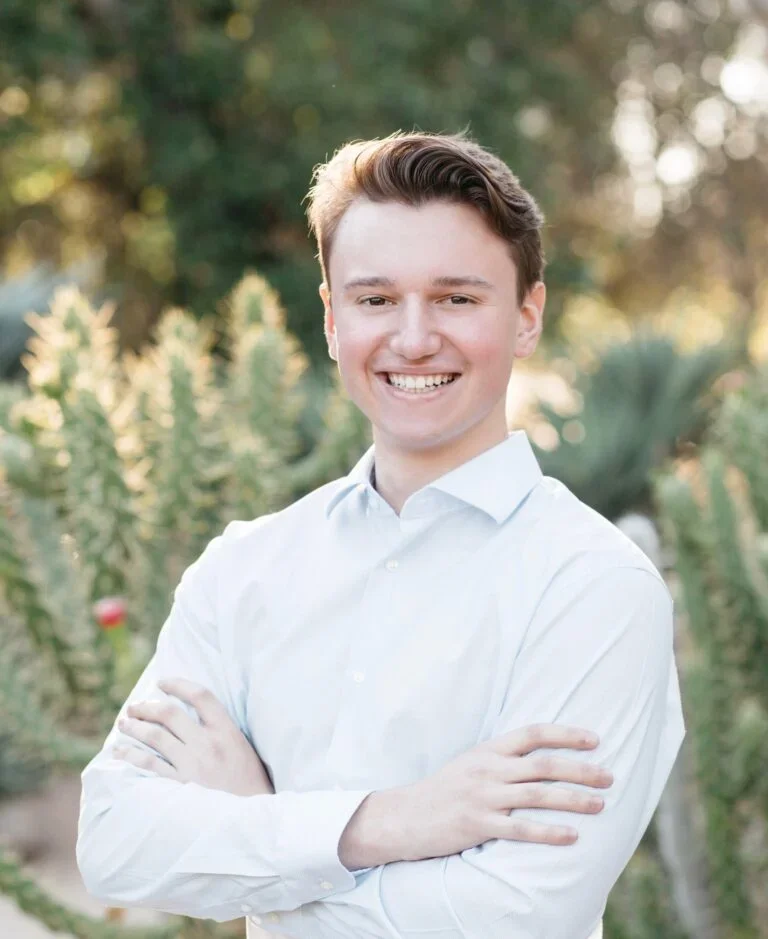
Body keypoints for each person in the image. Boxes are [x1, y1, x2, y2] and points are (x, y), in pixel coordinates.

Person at [76, 131, 686, 939]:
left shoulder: (594, 587)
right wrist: (385, 823)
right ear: (332, 320)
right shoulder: (245, 568)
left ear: (528, 316)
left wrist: (263, 844)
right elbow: (116, 841)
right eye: (375, 299)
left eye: (457, 298)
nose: (412, 338)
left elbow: (513, 916)